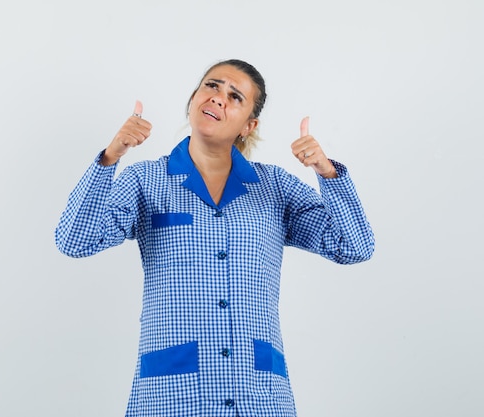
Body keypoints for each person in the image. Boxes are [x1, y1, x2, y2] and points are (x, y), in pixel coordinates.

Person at [55, 59, 374, 417]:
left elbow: (355, 246)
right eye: (212, 86)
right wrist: (111, 156)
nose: (219, 98)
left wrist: (327, 173)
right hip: (172, 396)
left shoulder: (276, 188)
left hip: (259, 396)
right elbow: (74, 240)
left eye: (235, 96)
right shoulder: (145, 181)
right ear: (193, 98)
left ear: (249, 126)